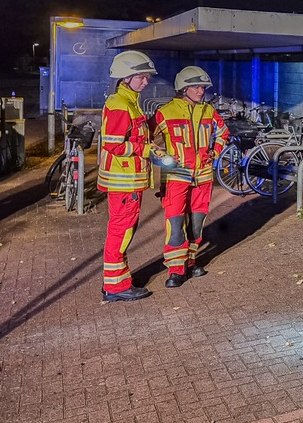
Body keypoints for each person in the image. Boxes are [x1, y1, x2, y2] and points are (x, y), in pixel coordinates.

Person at [154, 66, 229, 288]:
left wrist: (214, 153)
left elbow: (224, 132)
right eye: (196, 86)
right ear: (184, 88)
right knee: (176, 223)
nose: (201, 91)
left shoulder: (208, 111)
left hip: (203, 177)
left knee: (196, 223)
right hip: (176, 177)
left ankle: (191, 261)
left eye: (203, 87)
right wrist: (160, 155)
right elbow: (147, 139)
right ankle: (176, 271)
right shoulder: (165, 112)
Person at [98, 50, 159, 302]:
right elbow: (113, 145)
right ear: (125, 78)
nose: (146, 82)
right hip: (123, 181)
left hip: (128, 180)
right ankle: (116, 287)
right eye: (141, 77)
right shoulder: (122, 105)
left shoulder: (128, 102)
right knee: (121, 232)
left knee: (123, 230)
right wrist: (144, 149)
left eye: (146, 77)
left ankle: (116, 282)